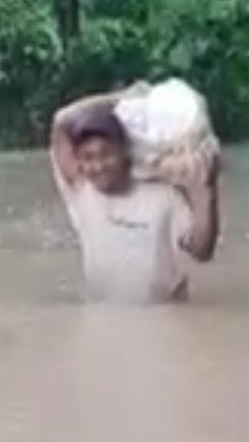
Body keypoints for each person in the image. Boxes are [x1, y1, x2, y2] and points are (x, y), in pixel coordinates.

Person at [49, 84, 220, 306]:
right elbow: (62, 120)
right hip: (102, 319)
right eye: (88, 158)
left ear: (126, 152)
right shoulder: (82, 191)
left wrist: (205, 191)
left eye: (106, 154)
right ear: (80, 163)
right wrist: (126, 97)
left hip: (164, 322)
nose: (98, 166)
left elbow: (201, 251)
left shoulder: (164, 196)